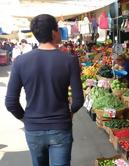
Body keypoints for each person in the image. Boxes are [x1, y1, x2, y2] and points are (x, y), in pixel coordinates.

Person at [5, 14, 84, 166]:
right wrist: (71, 113)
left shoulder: (20, 62)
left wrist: (26, 119)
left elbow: (10, 103)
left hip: (33, 129)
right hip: (60, 127)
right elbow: (78, 100)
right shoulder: (69, 60)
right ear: (54, 32)